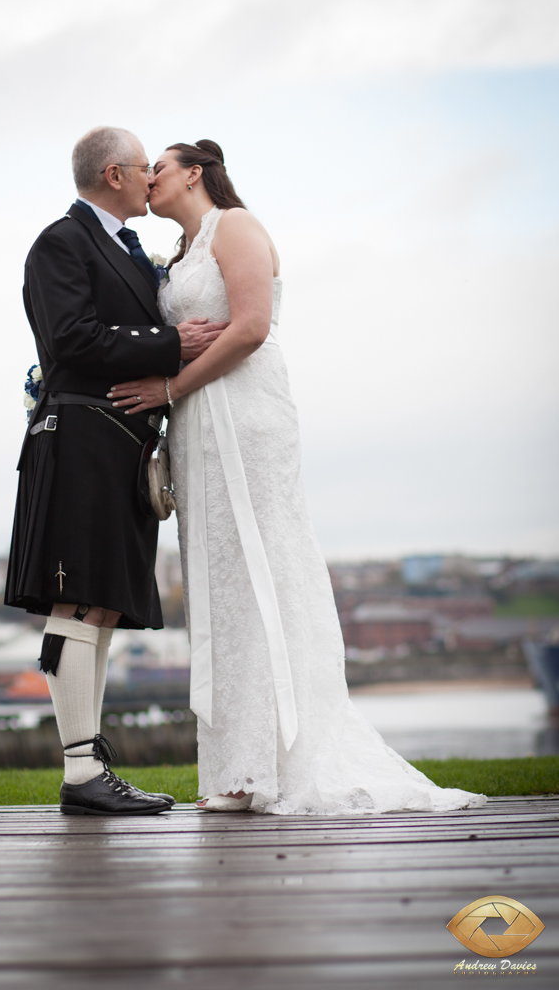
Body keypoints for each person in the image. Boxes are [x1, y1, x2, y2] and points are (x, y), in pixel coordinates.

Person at [105, 139, 487, 815]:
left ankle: (283, 762)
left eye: (158, 167)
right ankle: (237, 770)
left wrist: (168, 388)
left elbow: (251, 328)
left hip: (247, 416)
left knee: (265, 575)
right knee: (221, 588)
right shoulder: (180, 256)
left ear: (194, 173)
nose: (148, 178)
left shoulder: (239, 226)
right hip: (199, 429)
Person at [4, 127, 227, 815]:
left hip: (117, 443)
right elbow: (68, 339)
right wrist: (170, 342)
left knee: (99, 602)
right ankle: (80, 773)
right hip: (79, 438)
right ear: (113, 173)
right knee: (77, 598)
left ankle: (87, 773)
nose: (150, 178)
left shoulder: (129, 248)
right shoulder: (61, 242)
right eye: (142, 168)